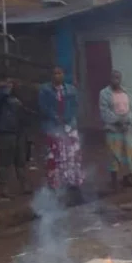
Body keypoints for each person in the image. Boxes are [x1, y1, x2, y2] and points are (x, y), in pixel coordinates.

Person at [39, 66, 83, 202]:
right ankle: (55, 185)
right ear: (51, 76)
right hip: (53, 127)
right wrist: (56, 117)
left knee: (72, 155)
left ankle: (73, 183)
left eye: (60, 73)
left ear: (63, 75)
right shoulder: (45, 90)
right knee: (55, 155)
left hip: (69, 126)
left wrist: (67, 118)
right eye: (55, 73)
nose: (57, 75)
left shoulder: (71, 90)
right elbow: (43, 107)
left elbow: (75, 106)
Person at [99, 69, 132, 191]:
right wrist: (118, 120)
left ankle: (127, 178)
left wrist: (128, 120)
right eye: (114, 77)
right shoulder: (104, 94)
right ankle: (114, 181)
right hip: (113, 129)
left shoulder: (126, 92)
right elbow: (104, 111)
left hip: (127, 129)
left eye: (118, 78)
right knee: (114, 155)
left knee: (129, 155)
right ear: (110, 79)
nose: (116, 80)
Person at [0, 75, 28, 198]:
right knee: (5, 161)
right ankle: (3, 188)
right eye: (6, 82)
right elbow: (1, 95)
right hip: (5, 131)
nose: (10, 84)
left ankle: (24, 185)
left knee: (20, 160)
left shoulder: (16, 97)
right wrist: (6, 86)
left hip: (18, 131)